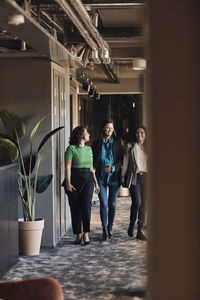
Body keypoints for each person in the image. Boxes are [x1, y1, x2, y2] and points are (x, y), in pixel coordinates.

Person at [64, 126, 100, 245]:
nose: (89, 134)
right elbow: (68, 167)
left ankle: (86, 234)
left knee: (86, 206)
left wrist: (96, 183)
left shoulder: (89, 149)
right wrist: (68, 183)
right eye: (86, 132)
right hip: (73, 179)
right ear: (81, 135)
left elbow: (91, 168)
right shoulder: (71, 149)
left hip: (88, 179)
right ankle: (78, 235)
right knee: (75, 208)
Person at [92, 120, 124, 240]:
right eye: (107, 128)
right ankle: (104, 229)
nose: (109, 130)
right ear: (103, 129)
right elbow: (93, 160)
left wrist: (113, 168)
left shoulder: (117, 142)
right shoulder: (96, 143)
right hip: (100, 177)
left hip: (114, 177)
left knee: (112, 203)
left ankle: (110, 227)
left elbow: (122, 160)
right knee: (104, 203)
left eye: (111, 128)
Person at [121, 125, 148, 240]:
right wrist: (122, 178)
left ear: (146, 135)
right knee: (137, 202)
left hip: (147, 177)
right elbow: (125, 163)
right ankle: (132, 224)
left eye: (142, 133)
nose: (139, 135)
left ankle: (140, 231)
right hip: (134, 177)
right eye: (137, 133)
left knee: (144, 205)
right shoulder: (130, 146)